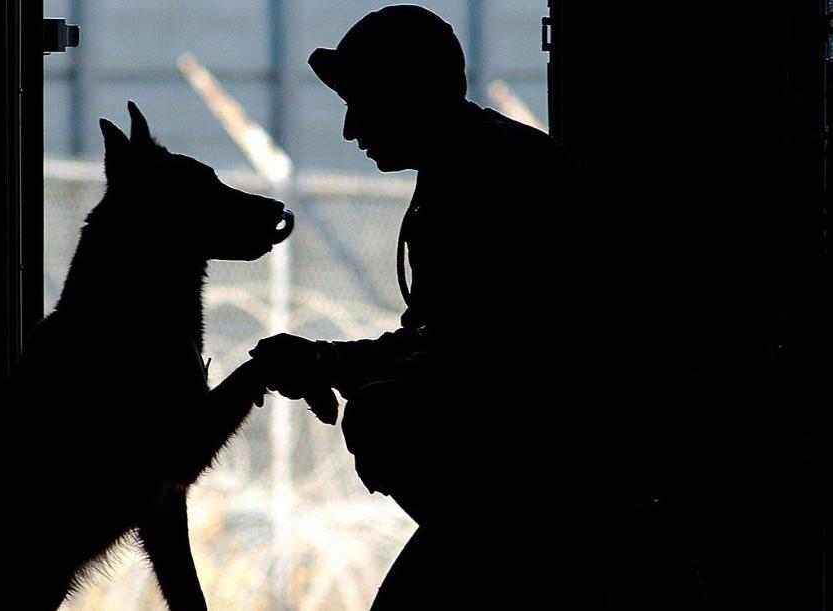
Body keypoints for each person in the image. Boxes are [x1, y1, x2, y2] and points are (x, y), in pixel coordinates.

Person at [250, 5, 600, 608]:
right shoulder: (476, 164)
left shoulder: (485, 181)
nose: (349, 129)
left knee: (382, 419)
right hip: (552, 457)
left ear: (408, 95)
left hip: (555, 471)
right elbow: (451, 343)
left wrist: (337, 368)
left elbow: (473, 358)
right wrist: (329, 361)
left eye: (362, 103)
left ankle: (532, 568)